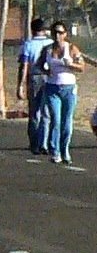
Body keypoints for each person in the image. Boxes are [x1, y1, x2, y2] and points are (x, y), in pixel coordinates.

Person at [43, 20, 84, 165]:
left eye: (60, 32)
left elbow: (82, 67)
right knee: (56, 119)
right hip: (52, 88)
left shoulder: (72, 49)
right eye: (55, 32)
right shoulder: (48, 50)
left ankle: (64, 149)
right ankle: (55, 152)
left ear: (65, 34)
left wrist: (71, 64)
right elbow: (40, 64)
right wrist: (47, 71)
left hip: (69, 88)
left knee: (67, 122)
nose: (57, 35)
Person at [16, 17, 53, 155]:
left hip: (34, 77)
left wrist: (20, 85)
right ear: (44, 30)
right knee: (47, 112)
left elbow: (24, 66)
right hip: (49, 77)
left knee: (34, 112)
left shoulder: (28, 45)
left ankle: (34, 144)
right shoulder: (51, 43)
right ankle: (45, 143)